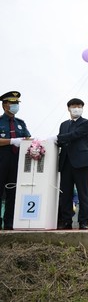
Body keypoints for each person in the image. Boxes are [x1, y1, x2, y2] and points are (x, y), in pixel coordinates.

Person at [55, 98, 88, 230]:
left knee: (83, 194)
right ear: (69, 108)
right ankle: (66, 221)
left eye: (79, 106)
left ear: (82, 108)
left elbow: (75, 135)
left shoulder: (86, 123)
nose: (76, 108)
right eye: (74, 106)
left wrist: (57, 138)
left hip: (81, 163)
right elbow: (60, 141)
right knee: (65, 194)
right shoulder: (63, 124)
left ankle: (83, 221)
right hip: (66, 163)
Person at [0, 91, 31, 230]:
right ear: (4, 105)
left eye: (16, 103)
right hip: (1, 160)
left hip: (16, 161)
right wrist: (12, 140)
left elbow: (28, 138)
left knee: (13, 192)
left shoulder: (21, 123)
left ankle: (9, 222)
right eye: (12, 103)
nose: (15, 106)